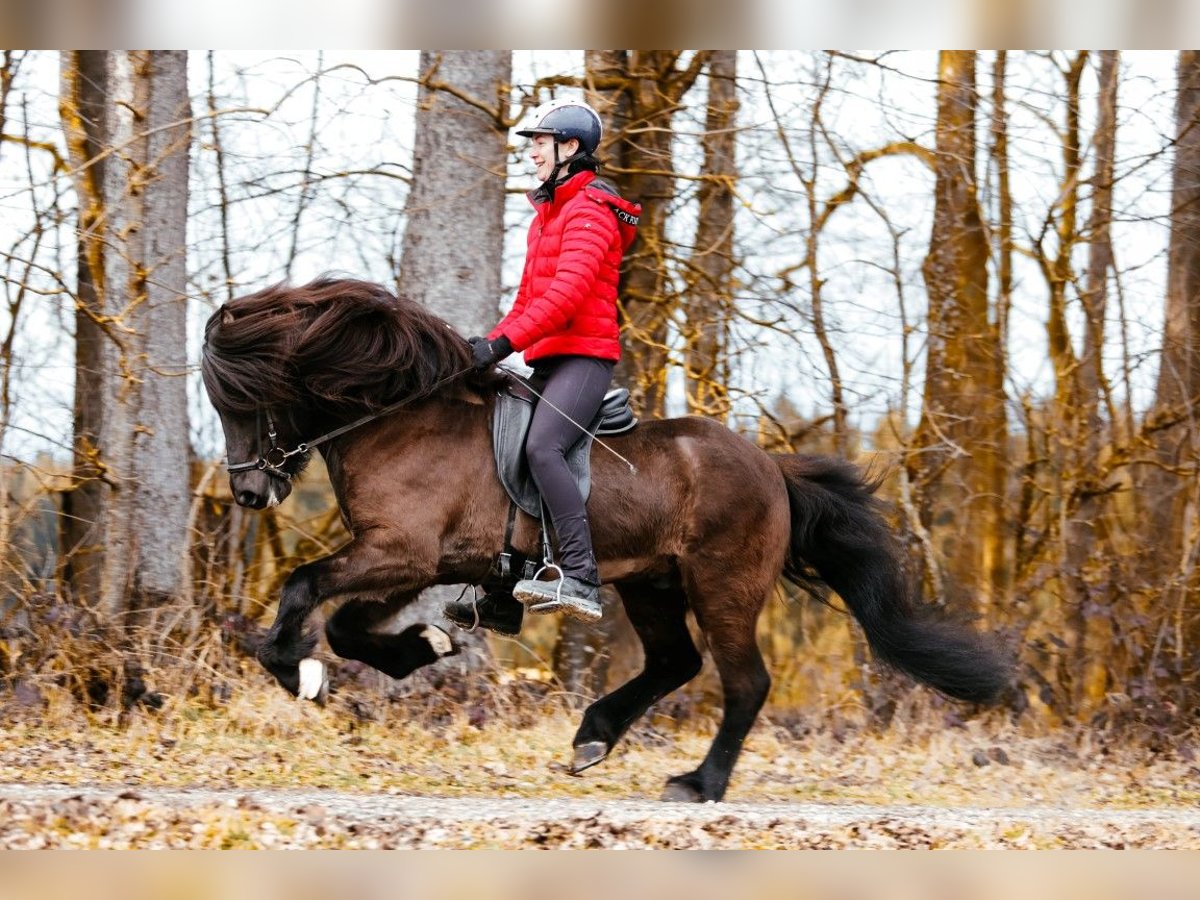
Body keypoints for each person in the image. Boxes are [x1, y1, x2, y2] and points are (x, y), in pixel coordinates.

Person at [443, 98, 640, 632]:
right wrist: (487, 345)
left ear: (569, 148)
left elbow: (569, 296)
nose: (531, 154)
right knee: (496, 442)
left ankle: (578, 575)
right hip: (549, 359)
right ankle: (504, 594)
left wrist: (503, 344)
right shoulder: (547, 217)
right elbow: (531, 298)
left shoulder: (590, 211)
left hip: (586, 358)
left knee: (542, 446)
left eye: (539, 143)